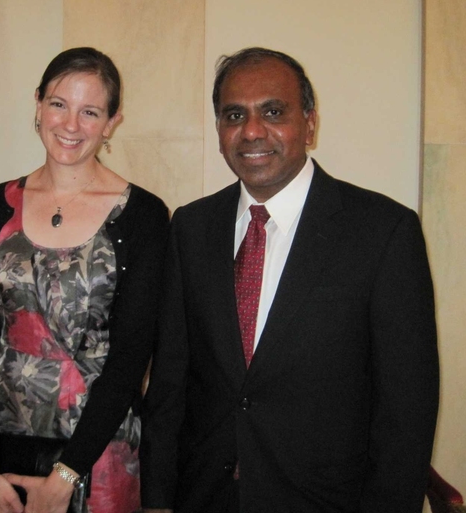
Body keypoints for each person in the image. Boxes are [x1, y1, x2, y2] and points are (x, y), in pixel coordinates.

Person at [140, 47, 439, 513]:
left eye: (273, 112)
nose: (252, 131)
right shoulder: (191, 228)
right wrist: (157, 499)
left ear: (310, 124)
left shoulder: (383, 232)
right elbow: (170, 383)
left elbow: (406, 410)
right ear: (219, 130)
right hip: (205, 496)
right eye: (234, 115)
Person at [0, 47, 169, 513]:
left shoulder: (144, 216)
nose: (70, 125)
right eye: (58, 104)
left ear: (112, 122)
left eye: (90, 111)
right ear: (37, 103)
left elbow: (132, 356)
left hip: (97, 453)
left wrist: (67, 474)